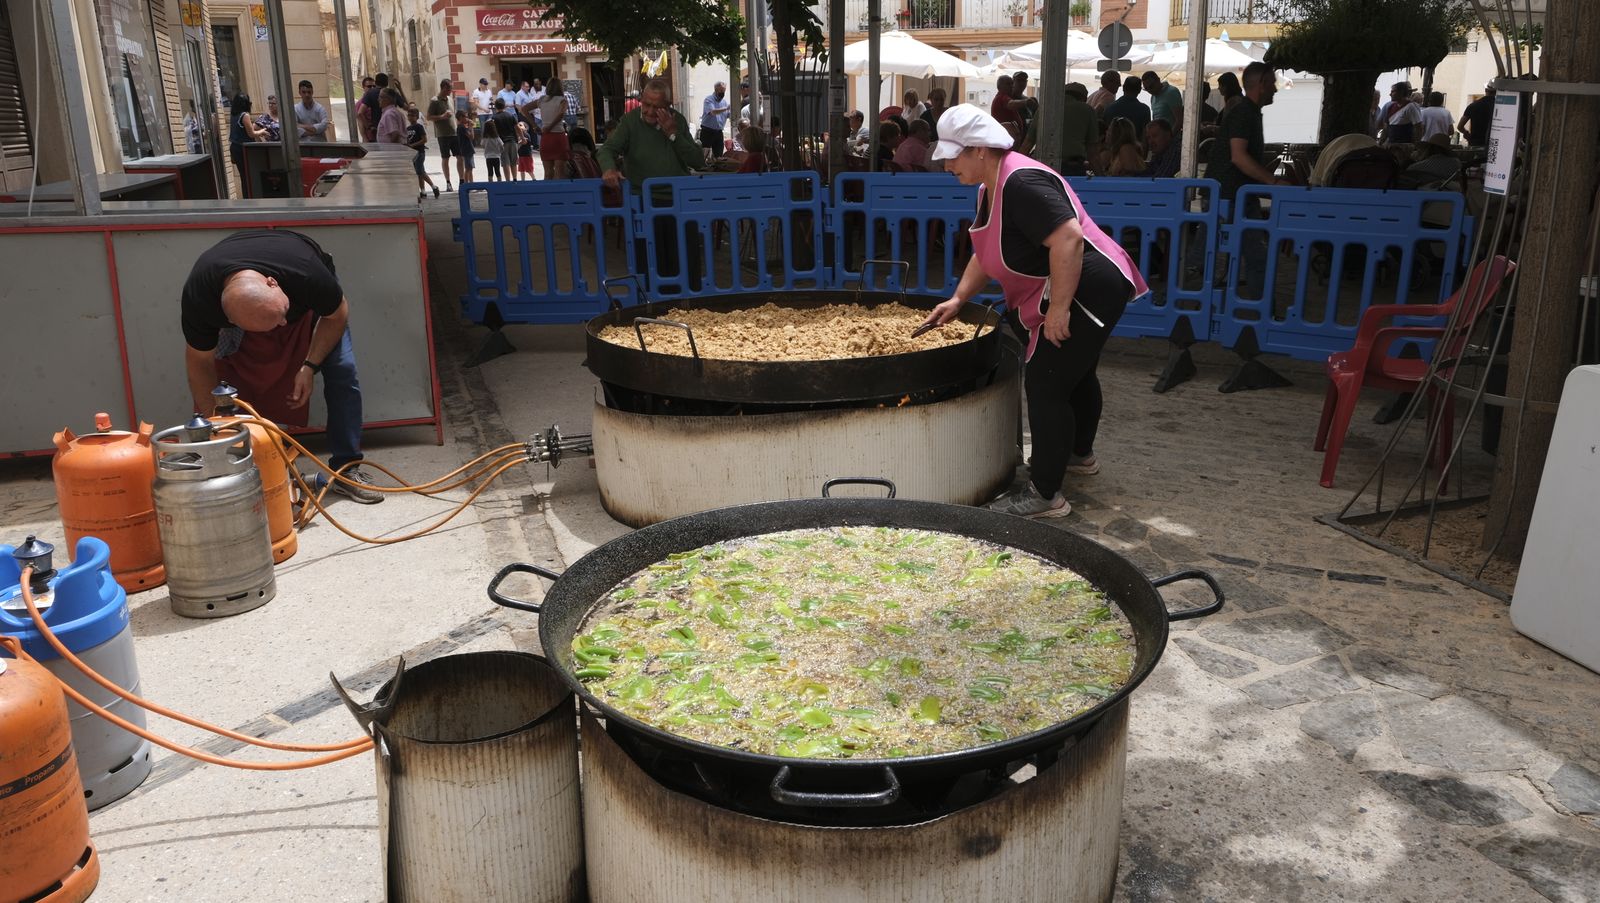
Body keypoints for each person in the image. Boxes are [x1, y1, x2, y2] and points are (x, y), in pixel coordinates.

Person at [920, 104, 1149, 518]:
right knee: (1074, 376)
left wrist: (1059, 310)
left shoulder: (1021, 181)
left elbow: (1069, 240)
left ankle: (1045, 494)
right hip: (1075, 288)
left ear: (981, 150)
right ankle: (1078, 456)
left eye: (954, 155)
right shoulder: (990, 186)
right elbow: (986, 253)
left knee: (1046, 382)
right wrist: (958, 299)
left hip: (1090, 289)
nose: (947, 163)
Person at [180, 230, 383, 503]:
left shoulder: (307, 273)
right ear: (229, 318)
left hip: (308, 301)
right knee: (228, 390)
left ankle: (347, 469)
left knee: (343, 372)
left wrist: (309, 366)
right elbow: (199, 363)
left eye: (281, 316)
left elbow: (336, 314)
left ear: (273, 283)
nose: (283, 327)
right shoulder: (201, 298)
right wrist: (217, 425)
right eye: (272, 325)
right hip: (251, 308)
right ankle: (252, 474)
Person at [1206, 62, 1290, 288]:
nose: (1275, 88)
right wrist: (1273, 182)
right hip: (1232, 196)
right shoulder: (1244, 112)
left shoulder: (1247, 111)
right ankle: (1263, 314)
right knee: (1256, 256)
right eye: (1272, 83)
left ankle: (1255, 308)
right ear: (1261, 84)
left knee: (1253, 255)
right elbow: (1239, 157)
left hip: (1235, 194)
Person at [1021, 82, 1097, 176]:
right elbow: (1092, 151)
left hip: (1043, 166)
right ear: (1083, 98)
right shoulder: (1087, 110)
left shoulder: (1045, 108)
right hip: (1072, 168)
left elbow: (1027, 144)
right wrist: (1102, 177)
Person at [424, 80, 459, 191]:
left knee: (460, 157)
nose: (451, 91)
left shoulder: (450, 99)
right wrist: (442, 117)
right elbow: (428, 117)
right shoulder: (435, 101)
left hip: (454, 132)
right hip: (443, 134)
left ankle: (462, 180)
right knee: (445, 158)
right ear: (443, 88)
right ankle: (448, 182)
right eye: (449, 89)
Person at [228, 93, 267, 188]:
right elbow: (252, 134)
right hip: (243, 148)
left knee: (244, 176)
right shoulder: (245, 115)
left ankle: (246, 197)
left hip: (234, 147)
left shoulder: (234, 115)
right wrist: (263, 131)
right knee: (250, 175)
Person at [404, 106, 440, 199]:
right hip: (412, 153)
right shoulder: (407, 128)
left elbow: (424, 139)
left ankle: (434, 187)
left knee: (419, 171)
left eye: (412, 115)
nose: (410, 117)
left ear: (417, 117)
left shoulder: (419, 127)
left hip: (419, 152)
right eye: (409, 115)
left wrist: (413, 145)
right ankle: (423, 191)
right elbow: (407, 140)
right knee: (420, 172)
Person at [540, 77, 571, 179]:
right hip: (558, 136)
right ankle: (560, 193)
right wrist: (551, 126)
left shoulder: (542, 100)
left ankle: (546, 193)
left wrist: (535, 125)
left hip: (546, 137)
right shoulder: (562, 100)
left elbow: (525, 109)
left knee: (547, 172)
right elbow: (561, 113)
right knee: (559, 171)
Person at [699, 81, 731, 158]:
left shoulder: (724, 102)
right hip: (708, 131)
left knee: (719, 155)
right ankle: (702, 168)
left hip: (718, 132)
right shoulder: (709, 100)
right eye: (721, 91)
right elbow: (712, 112)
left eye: (724, 91)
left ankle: (717, 169)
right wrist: (726, 108)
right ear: (716, 90)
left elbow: (727, 115)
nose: (723, 93)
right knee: (704, 154)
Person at [491, 98, 520, 179]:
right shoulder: (510, 115)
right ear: (504, 106)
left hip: (502, 142)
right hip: (513, 141)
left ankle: (508, 180)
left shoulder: (494, 118)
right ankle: (515, 179)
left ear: (495, 107)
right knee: (513, 162)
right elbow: (517, 127)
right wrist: (522, 137)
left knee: (505, 162)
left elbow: (493, 131)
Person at [455, 110, 477, 183]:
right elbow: (471, 136)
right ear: (461, 117)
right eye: (466, 117)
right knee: (468, 168)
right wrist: (471, 127)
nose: (467, 119)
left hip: (468, 149)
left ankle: (471, 183)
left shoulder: (463, 127)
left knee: (470, 168)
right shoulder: (461, 127)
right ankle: (466, 184)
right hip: (466, 150)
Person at [354, 76, 377, 142]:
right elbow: (360, 122)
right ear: (363, 87)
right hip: (370, 138)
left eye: (374, 86)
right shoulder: (360, 104)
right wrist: (365, 138)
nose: (372, 88)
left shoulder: (378, 100)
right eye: (369, 86)